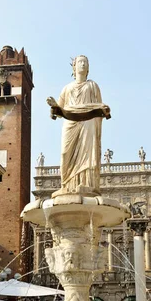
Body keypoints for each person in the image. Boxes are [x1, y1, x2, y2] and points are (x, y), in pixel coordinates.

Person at [47, 55, 110, 196]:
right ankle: (66, 185)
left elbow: (99, 106)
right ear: (74, 67)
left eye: (85, 62)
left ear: (88, 68)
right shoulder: (67, 88)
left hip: (88, 122)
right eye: (80, 62)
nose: (83, 64)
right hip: (70, 122)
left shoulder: (92, 86)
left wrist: (103, 110)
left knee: (87, 154)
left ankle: (87, 185)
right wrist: (53, 106)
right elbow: (58, 110)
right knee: (65, 153)